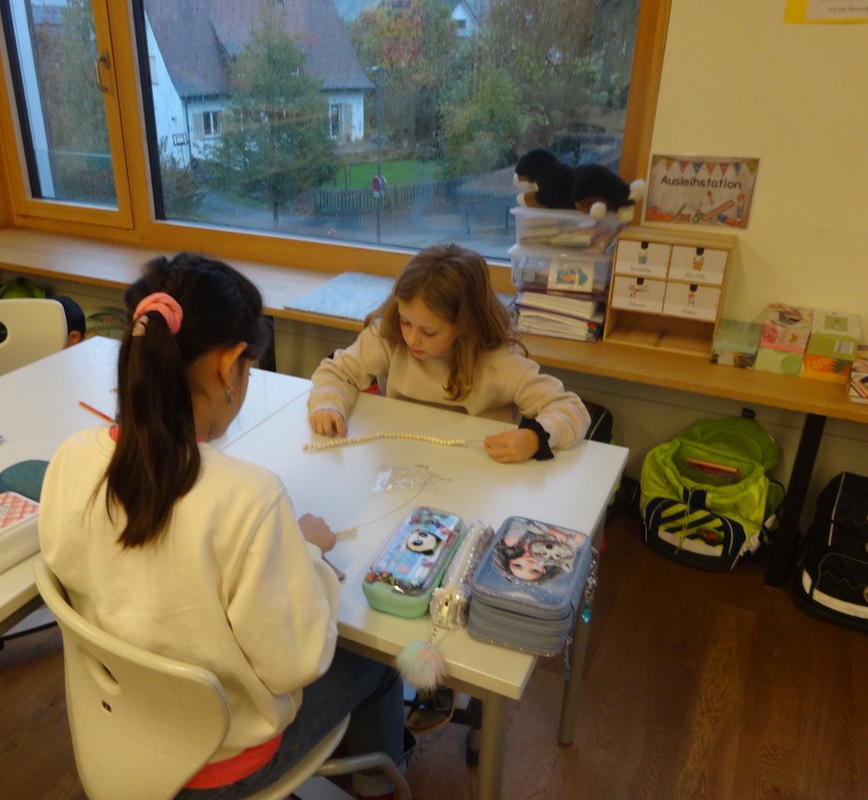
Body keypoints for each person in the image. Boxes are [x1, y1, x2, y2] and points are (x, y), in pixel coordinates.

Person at [39, 253, 408, 799]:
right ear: (229, 365)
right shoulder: (249, 498)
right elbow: (296, 662)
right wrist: (307, 554)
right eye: (249, 369)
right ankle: (380, 786)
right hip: (220, 766)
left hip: (122, 731)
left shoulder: (72, 456)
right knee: (378, 658)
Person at [309, 243, 590, 463]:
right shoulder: (389, 338)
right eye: (405, 321)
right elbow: (337, 371)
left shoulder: (498, 363)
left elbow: (572, 409)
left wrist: (534, 438)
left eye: (429, 332)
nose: (412, 338)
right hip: (402, 459)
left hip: (476, 471)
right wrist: (327, 404)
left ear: (466, 325)